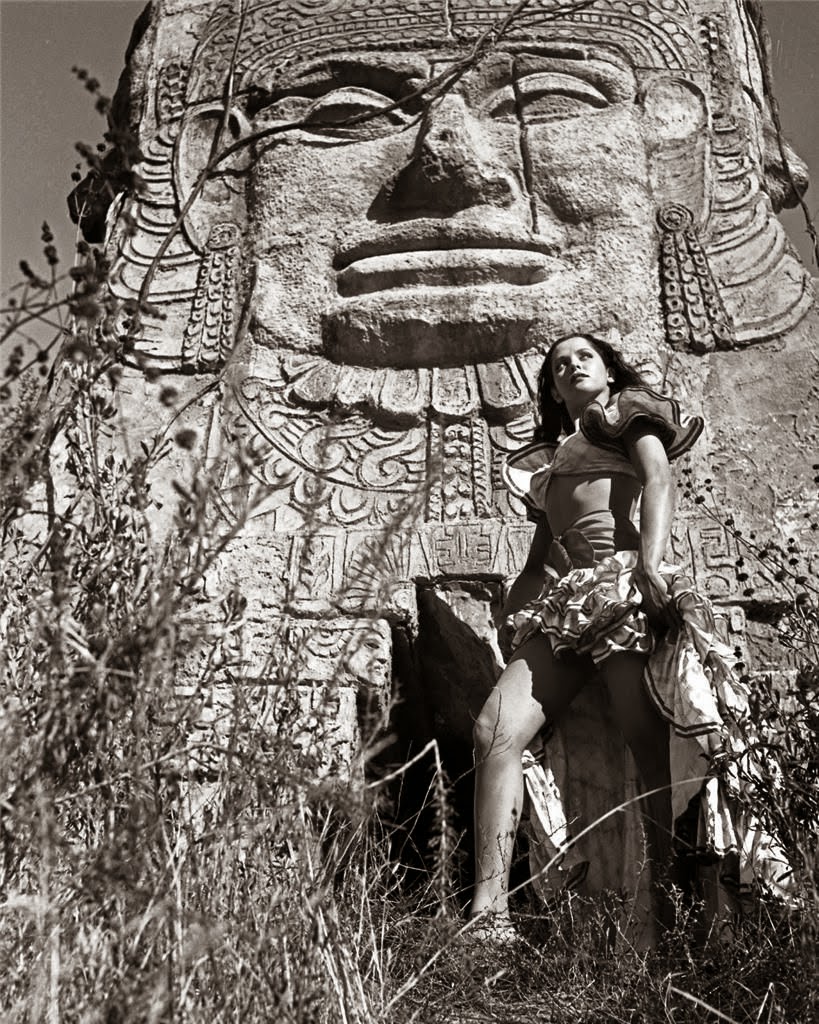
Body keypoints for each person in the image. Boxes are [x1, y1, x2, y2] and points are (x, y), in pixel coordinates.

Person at [469, 332, 788, 943]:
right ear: (551, 388)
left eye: (583, 357)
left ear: (609, 370)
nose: (571, 367)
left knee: (652, 756)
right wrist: (514, 615)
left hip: (623, 586)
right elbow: (540, 559)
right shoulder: (549, 460)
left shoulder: (628, 412)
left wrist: (650, 563)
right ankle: (489, 916)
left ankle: (673, 923)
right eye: (559, 366)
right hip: (569, 606)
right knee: (494, 728)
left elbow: (658, 479)